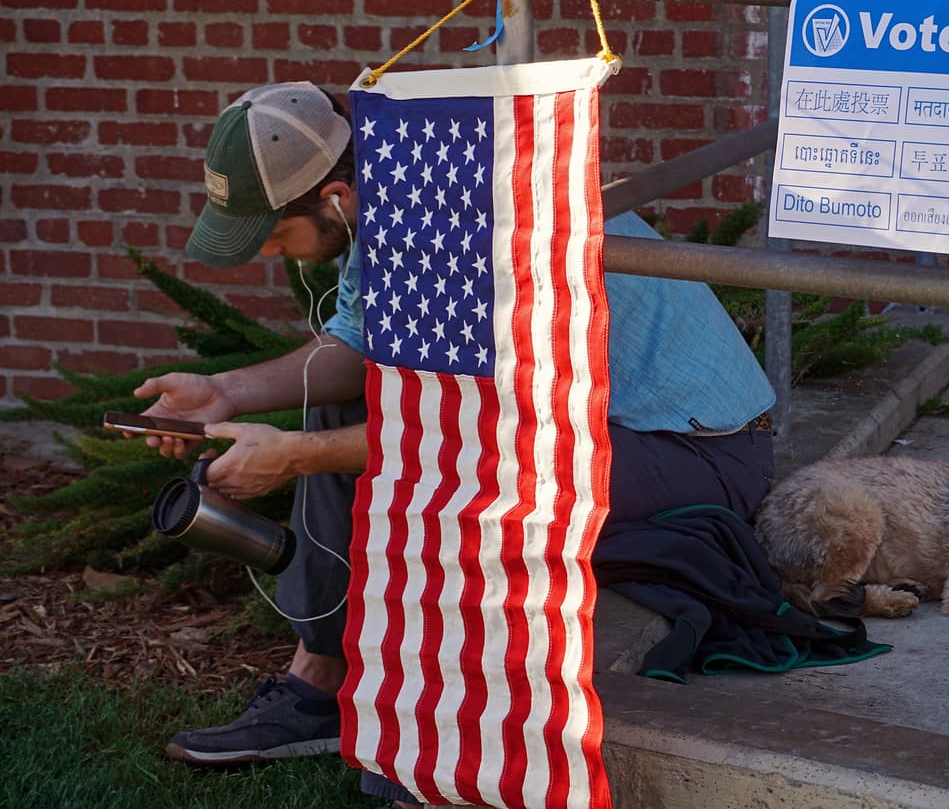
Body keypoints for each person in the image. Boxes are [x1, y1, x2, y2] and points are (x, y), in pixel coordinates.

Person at [140, 81, 775, 804]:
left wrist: (292, 456)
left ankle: (449, 742)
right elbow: (355, 346)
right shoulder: (398, 182)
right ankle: (319, 680)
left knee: (463, 480)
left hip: (697, 449)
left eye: (275, 235)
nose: (273, 255)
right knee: (348, 401)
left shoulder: (453, 221)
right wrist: (226, 393)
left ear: (335, 196)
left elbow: (469, 432)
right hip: (582, 424)